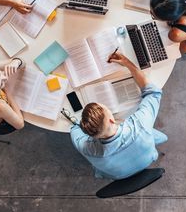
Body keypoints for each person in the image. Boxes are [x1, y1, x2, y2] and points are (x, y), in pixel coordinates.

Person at [70, 52, 167, 180]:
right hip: (148, 159)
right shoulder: (140, 124)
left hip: (117, 176)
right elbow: (153, 93)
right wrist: (128, 63)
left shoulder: (87, 148)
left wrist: (81, 123)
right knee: (156, 135)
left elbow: (74, 129)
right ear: (111, 119)